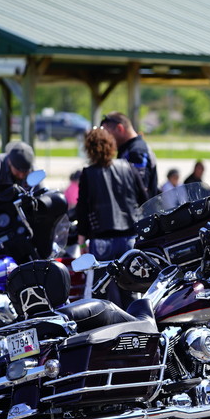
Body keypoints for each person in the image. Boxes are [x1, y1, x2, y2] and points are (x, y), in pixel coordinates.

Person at [76, 128, 148, 307]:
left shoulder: (88, 173)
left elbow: (82, 208)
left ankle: (100, 330)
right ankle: (134, 326)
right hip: (129, 237)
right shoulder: (128, 167)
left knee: (98, 293)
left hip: (102, 239)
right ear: (111, 145)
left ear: (89, 149)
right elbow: (144, 199)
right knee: (131, 290)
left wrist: (82, 240)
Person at [100, 111, 159, 198]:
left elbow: (138, 191)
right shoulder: (127, 149)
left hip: (140, 210)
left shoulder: (137, 151)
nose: (106, 139)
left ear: (120, 128)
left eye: (108, 134)